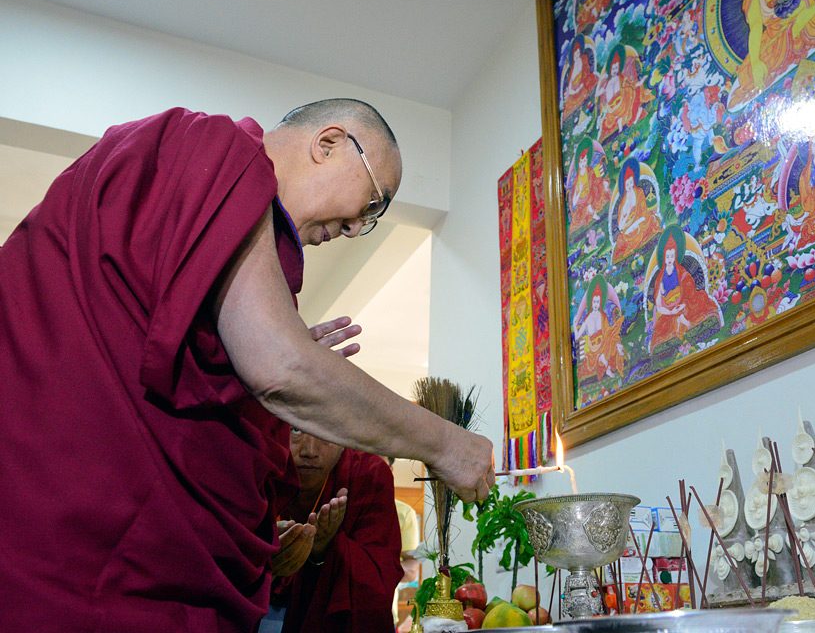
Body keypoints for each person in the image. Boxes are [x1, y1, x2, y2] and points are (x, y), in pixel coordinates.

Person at [0, 100, 495, 632]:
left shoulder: (229, 226)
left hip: (127, 553)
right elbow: (280, 368)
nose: (357, 228)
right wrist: (446, 443)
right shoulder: (213, 147)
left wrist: (237, 367)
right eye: (372, 203)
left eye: (371, 220)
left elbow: (199, 368)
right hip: (85, 557)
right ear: (328, 144)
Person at [267, 429, 404, 633]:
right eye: (296, 430)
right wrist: (261, 548)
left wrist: (324, 547)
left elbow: (377, 579)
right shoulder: (260, 465)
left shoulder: (368, 474)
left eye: (325, 431)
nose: (309, 450)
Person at [649, 233, 721, 350]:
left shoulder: (682, 273)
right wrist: (671, 312)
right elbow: (659, 305)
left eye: (672, 256)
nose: (670, 259)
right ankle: (676, 341)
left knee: (698, 302)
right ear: (664, 258)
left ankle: (696, 328)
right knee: (666, 328)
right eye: (667, 256)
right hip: (669, 311)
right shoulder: (660, 280)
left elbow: (690, 291)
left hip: (686, 304)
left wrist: (682, 304)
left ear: (675, 256)